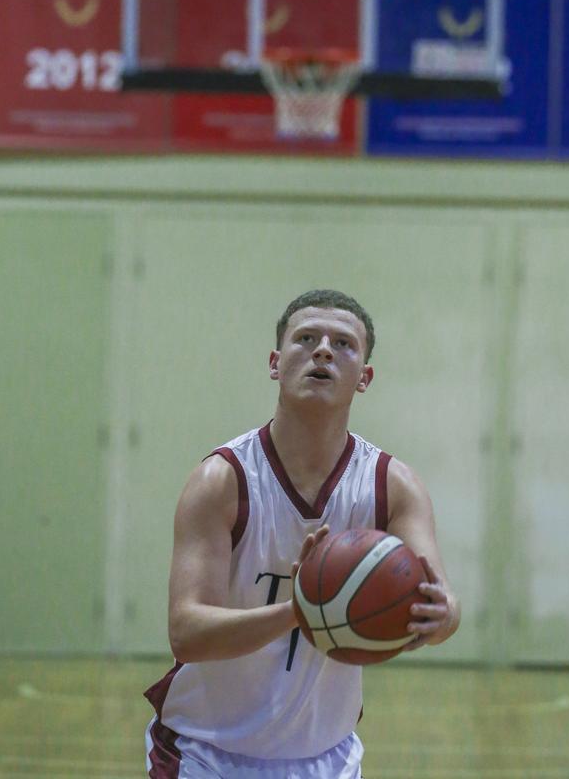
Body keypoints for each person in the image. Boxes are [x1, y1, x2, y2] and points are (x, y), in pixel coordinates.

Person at [144, 289, 460, 778]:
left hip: (327, 759)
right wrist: (300, 610)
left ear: (365, 378)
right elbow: (187, 634)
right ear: (274, 362)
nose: (323, 350)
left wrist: (438, 616)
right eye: (306, 338)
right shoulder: (222, 480)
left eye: (344, 344)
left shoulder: (392, 485)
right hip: (207, 755)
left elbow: (442, 609)